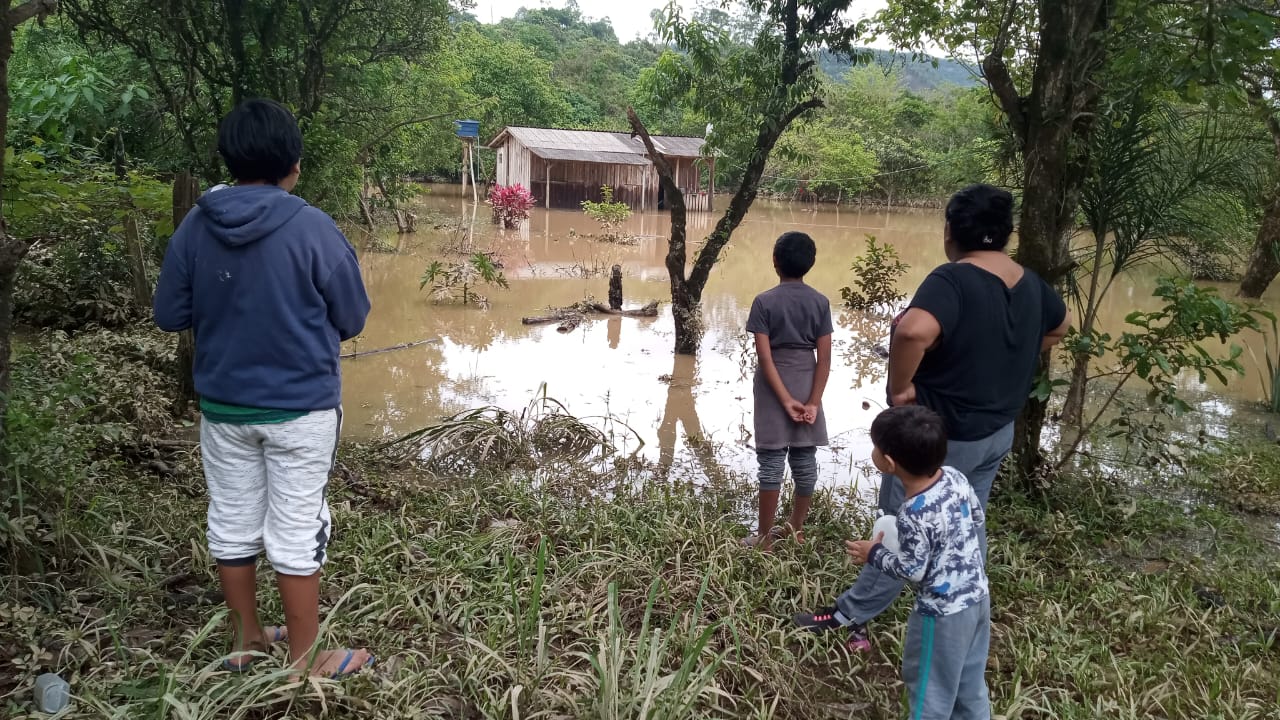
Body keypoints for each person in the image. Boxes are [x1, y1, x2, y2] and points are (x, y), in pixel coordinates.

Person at [153, 99, 374, 679]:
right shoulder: (313, 227)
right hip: (301, 410)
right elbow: (353, 317)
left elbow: (170, 313)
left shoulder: (197, 224)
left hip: (223, 408)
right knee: (298, 524)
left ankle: (247, 640)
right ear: (293, 164)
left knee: (232, 519)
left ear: (229, 159)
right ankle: (304, 659)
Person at [795, 183, 1069, 649]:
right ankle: (968, 608)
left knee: (898, 523)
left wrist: (901, 389)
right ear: (1007, 233)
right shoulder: (1031, 284)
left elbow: (912, 331)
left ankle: (851, 614)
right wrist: (1007, 359)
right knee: (967, 520)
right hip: (996, 432)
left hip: (939, 437)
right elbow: (1060, 327)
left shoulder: (953, 279)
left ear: (950, 231)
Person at [844, 406, 992, 720]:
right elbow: (976, 519)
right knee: (970, 685)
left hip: (941, 615)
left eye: (875, 447)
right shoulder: (955, 477)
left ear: (889, 463)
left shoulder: (912, 513)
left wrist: (874, 553)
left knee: (930, 692)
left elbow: (912, 570)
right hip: (977, 598)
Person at [742, 231, 833, 550]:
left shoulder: (764, 301)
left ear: (775, 261)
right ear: (811, 263)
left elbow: (765, 357)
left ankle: (764, 537)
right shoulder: (820, 302)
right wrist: (813, 401)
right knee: (805, 459)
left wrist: (785, 400)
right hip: (808, 382)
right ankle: (795, 527)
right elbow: (825, 360)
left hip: (772, 387)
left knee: (771, 462)